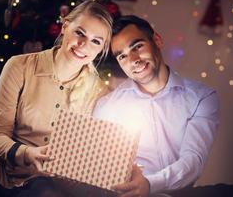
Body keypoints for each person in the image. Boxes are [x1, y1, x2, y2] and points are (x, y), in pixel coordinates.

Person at [0, 0, 112, 197]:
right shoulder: (19, 66)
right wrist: (27, 153)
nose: (84, 45)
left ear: (101, 49)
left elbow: (88, 157)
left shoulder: (98, 92)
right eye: (79, 33)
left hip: (46, 180)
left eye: (96, 41)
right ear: (65, 26)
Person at [93, 15, 219, 197]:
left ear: (157, 40)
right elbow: (98, 167)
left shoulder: (202, 98)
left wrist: (149, 184)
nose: (133, 60)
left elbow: (193, 161)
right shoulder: (108, 106)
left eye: (137, 46)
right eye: (122, 56)